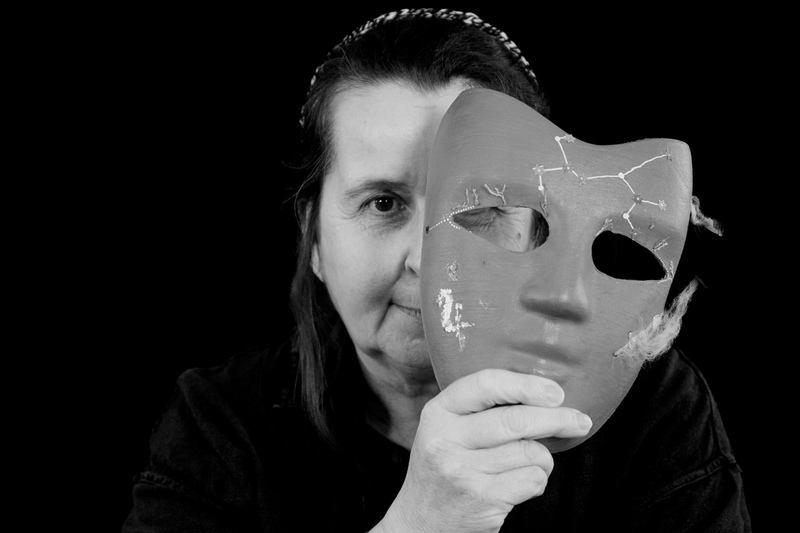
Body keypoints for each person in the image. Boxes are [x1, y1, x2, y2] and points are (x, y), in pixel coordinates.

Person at [123, 8, 750, 532]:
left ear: (536, 227)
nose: (427, 260)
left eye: (479, 208)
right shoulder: (221, 428)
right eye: (384, 204)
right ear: (312, 238)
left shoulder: (653, 414)